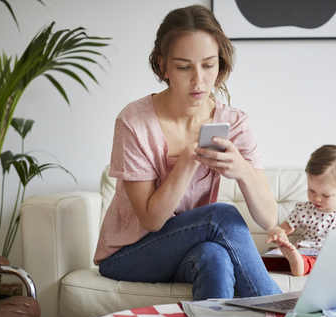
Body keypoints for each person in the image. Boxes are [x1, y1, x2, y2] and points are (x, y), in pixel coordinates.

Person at [93, 5, 282, 300]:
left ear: (220, 63)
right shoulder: (134, 122)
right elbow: (152, 221)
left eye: (208, 65)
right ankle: (285, 312)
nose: (198, 80)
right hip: (128, 255)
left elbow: (270, 218)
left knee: (215, 257)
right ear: (163, 66)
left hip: (188, 249)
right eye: (184, 66)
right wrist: (189, 160)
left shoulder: (233, 122)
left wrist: (242, 171)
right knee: (220, 216)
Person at [266, 145, 336, 276]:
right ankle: (297, 262)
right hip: (307, 252)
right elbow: (282, 229)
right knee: (275, 259)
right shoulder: (303, 209)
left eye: (325, 195)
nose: (316, 198)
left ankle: (301, 264)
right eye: (311, 190)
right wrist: (278, 233)